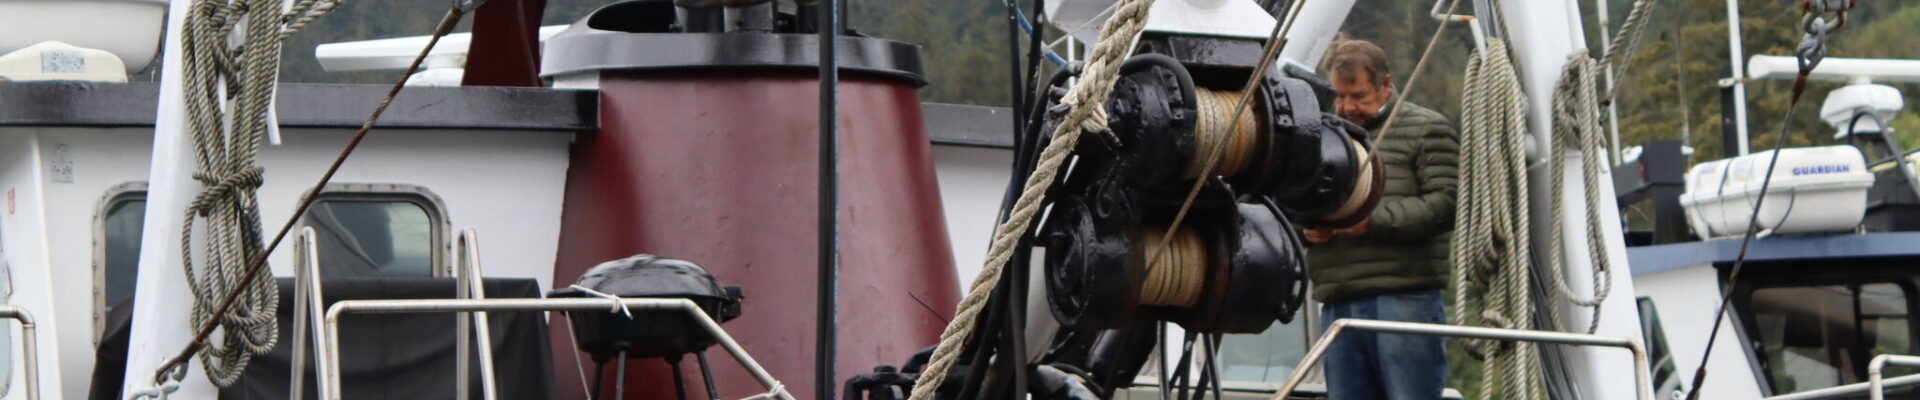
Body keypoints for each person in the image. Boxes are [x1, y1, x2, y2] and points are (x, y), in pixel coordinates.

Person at [1303, 39, 1459, 400]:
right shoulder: (1322, 136)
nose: (1346, 107)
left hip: (1404, 297)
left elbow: (1447, 202)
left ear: (1385, 85)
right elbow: (1293, 199)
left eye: (1358, 95)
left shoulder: (1426, 129)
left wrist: (1373, 222)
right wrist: (1306, 228)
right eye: (1340, 96)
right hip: (1338, 300)